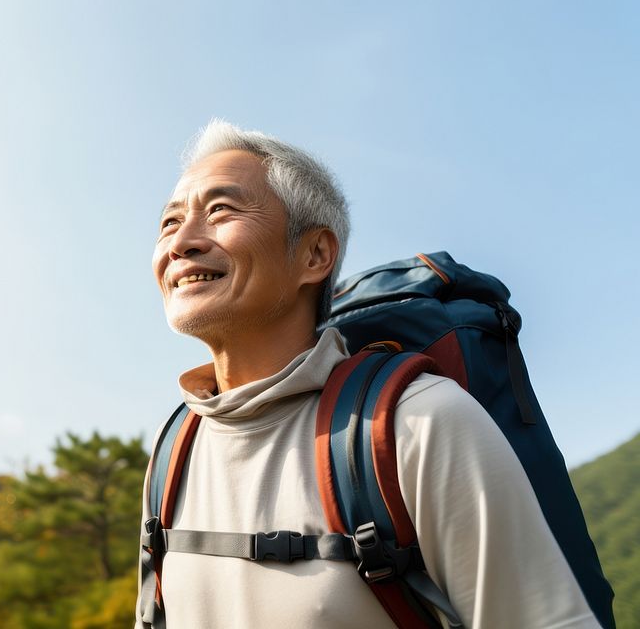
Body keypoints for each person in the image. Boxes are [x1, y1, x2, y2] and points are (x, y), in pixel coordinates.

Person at [136, 119, 601, 629]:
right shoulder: (174, 446)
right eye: (169, 222)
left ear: (314, 255)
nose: (181, 241)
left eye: (220, 210)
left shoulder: (416, 420)